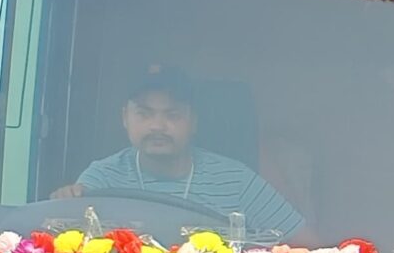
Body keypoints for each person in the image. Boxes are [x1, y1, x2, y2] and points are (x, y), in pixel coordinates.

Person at [59, 65, 304, 237]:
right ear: (125, 117)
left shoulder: (236, 180)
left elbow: (308, 249)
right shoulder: (101, 178)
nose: (157, 126)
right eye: (144, 114)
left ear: (193, 121)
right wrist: (64, 204)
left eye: (172, 114)